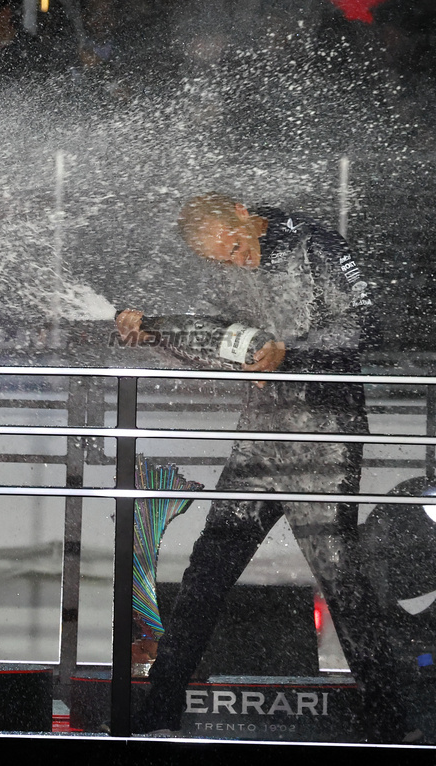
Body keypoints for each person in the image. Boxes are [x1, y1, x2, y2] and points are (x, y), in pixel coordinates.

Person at [121, 193, 409, 742]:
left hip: (323, 436)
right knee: (207, 572)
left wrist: (291, 353)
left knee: (341, 582)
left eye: (235, 248)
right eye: (220, 260)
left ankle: (389, 725)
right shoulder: (229, 263)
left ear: (245, 216)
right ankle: (157, 715)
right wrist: (156, 331)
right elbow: (226, 341)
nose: (233, 262)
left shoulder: (315, 243)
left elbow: (365, 324)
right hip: (260, 439)